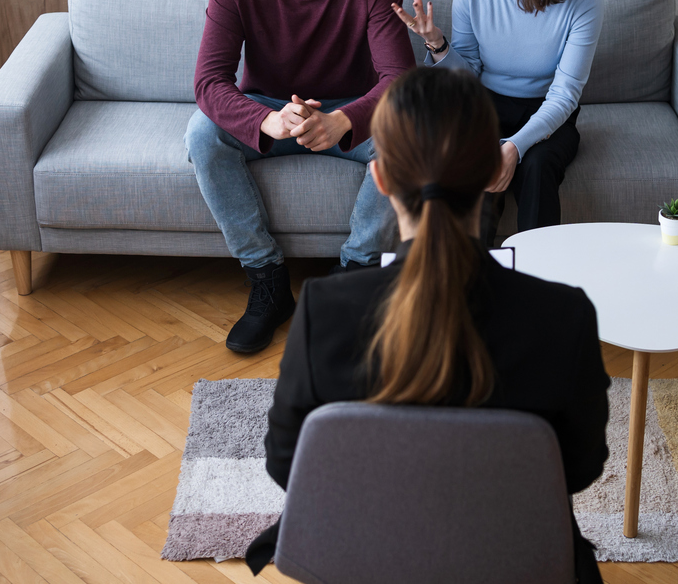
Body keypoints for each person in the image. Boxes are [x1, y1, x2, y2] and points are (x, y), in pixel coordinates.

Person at [248, 67, 611, 582]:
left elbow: (288, 465)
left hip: (363, 562)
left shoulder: (324, 309)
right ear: (493, 171)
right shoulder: (563, 316)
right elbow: (579, 468)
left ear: (380, 177)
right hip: (512, 562)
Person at [186, 0, 416, 354]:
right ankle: (267, 282)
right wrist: (265, 121)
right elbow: (209, 82)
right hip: (271, 109)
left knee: (413, 131)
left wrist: (344, 120)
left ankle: (352, 277)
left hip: (350, 111)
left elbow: (399, 80)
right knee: (203, 134)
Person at [393, 0, 604, 245]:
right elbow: (468, 75)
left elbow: (565, 94)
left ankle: (538, 285)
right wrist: (438, 46)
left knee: (536, 168)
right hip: (483, 109)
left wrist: (515, 147)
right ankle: (470, 282)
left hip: (549, 115)